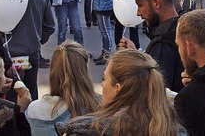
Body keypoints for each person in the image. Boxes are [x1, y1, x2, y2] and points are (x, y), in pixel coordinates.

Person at [57, 49, 186, 136]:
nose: (102, 84)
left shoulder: (86, 130)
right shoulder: (172, 127)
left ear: (117, 88)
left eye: (105, 79)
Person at [6, 0, 56, 100]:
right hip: (31, 51)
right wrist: (37, 40)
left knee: (11, 96)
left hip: (10, 53)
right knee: (30, 94)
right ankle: (30, 123)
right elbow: (50, 25)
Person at [120, 0, 184, 92]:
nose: (138, 13)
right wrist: (136, 54)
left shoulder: (163, 44)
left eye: (140, 5)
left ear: (156, 2)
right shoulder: (181, 29)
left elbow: (155, 94)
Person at [25, 41, 101, 135]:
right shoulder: (99, 106)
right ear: (85, 69)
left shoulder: (34, 110)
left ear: (53, 71)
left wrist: (22, 107)